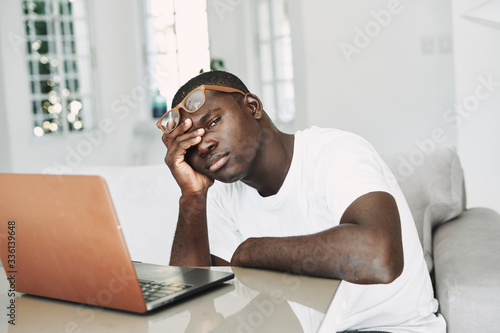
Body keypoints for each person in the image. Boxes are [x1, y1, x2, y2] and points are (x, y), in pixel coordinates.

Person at [159, 70, 446, 332]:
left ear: (252, 107)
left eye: (214, 122)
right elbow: (192, 311)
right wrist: (192, 198)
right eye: (191, 144)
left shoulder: (333, 152)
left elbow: (379, 257)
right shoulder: (223, 195)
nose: (204, 145)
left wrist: (252, 253)